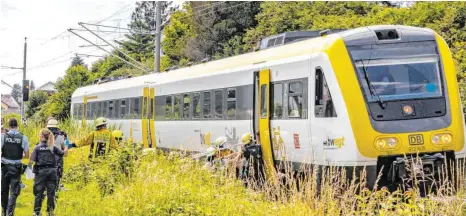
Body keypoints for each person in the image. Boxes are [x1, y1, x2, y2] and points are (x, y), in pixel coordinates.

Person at [29, 128, 66, 216]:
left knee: (39, 193)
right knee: (51, 193)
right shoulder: (53, 147)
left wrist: (29, 173)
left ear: (41, 136)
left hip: (40, 172)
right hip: (52, 172)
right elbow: (62, 154)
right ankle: (50, 212)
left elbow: (31, 161)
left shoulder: (37, 147)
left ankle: (37, 212)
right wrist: (67, 145)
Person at [1, 118, 29, 216]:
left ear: (8, 126)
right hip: (16, 168)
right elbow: (26, 155)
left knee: (4, 190)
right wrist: (17, 155)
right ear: (17, 126)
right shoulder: (23, 138)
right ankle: (10, 212)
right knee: (14, 191)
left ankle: (4, 212)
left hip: (4, 167)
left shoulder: (3, 137)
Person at [46, 118, 68, 192]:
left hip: (47, 159)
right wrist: (66, 140)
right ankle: (56, 188)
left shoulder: (44, 137)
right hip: (58, 160)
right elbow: (65, 151)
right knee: (58, 174)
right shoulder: (61, 137)